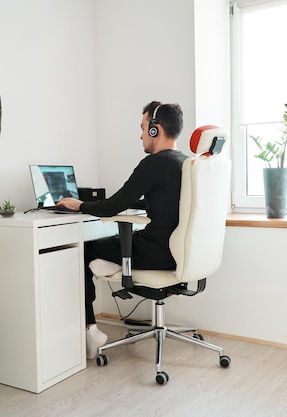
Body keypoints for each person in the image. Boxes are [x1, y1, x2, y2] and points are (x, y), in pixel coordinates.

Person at [57, 100, 188, 359]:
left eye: (143, 128)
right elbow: (163, 200)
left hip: (155, 253)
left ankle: (90, 330)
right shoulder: (184, 162)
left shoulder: (154, 163)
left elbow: (112, 206)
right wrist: (133, 204)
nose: (140, 135)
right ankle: (110, 263)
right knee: (113, 241)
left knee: (84, 249)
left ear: (155, 129)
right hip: (175, 252)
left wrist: (79, 204)